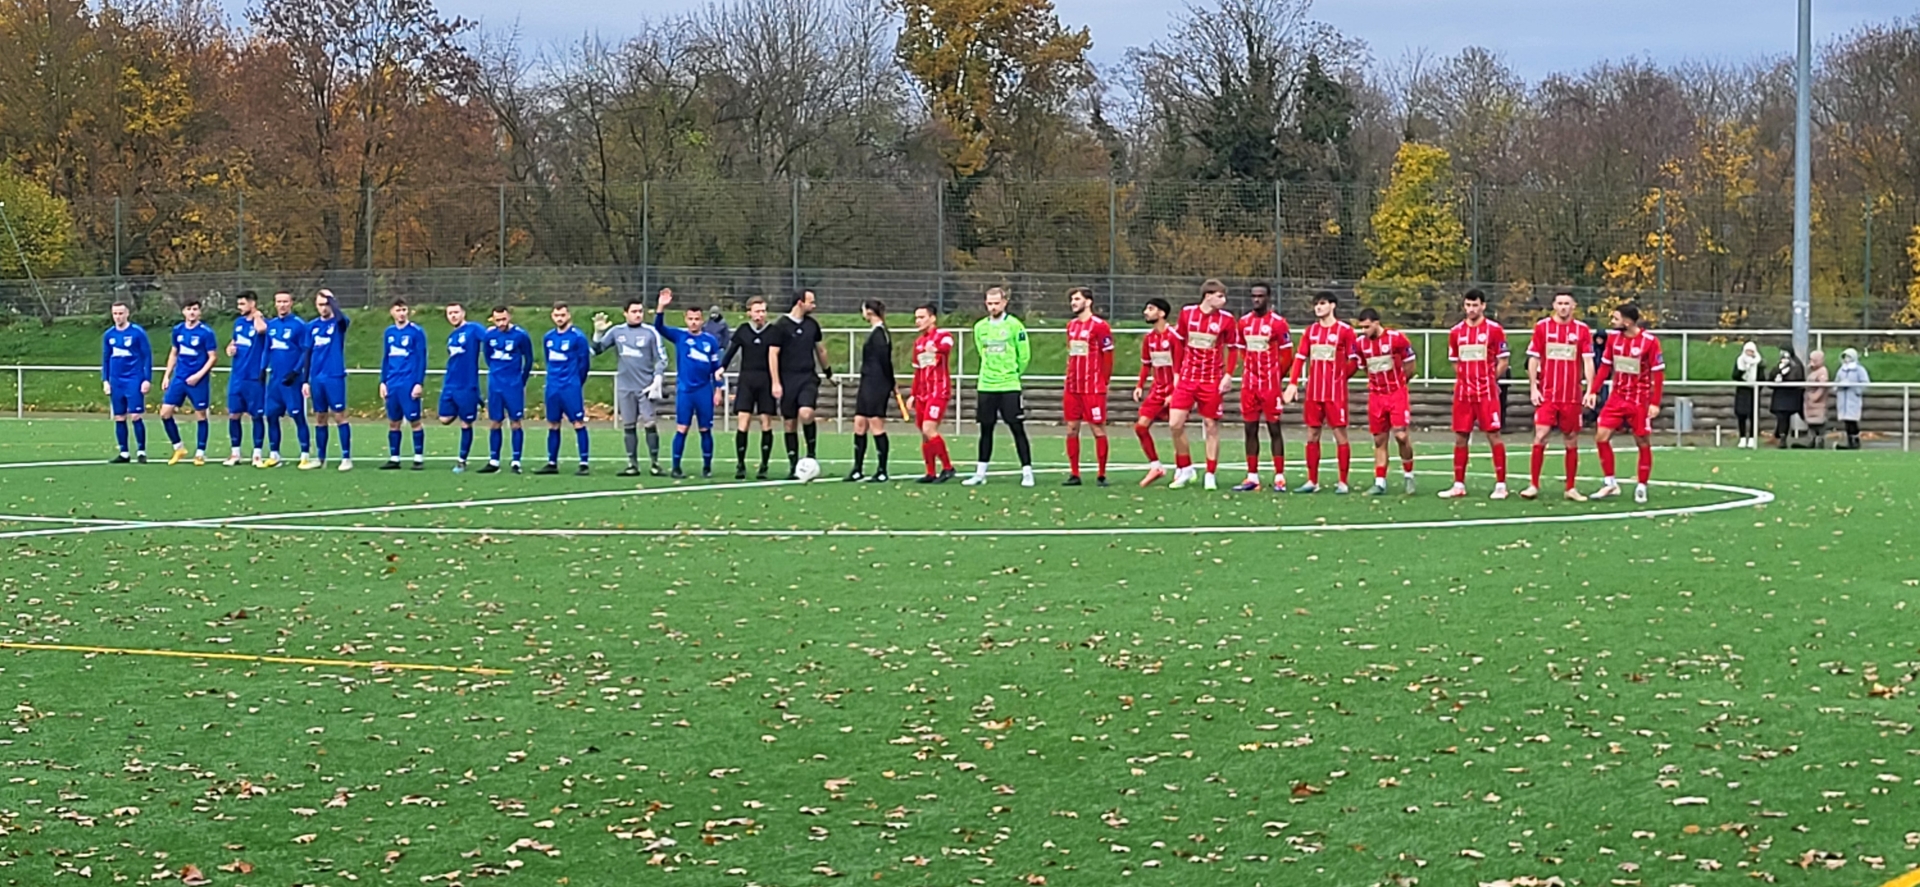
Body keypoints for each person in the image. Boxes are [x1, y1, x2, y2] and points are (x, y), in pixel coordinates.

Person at [1165, 279, 1239, 490]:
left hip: (1211, 380)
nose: (1223, 300)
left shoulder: (1226, 319)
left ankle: (1210, 473)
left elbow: (1233, 348)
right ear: (1208, 296)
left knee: (1211, 426)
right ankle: (1186, 467)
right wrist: (1177, 372)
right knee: (1175, 424)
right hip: (1188, 378)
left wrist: (1228, 375)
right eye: (1220, 296)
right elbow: (1178, 343)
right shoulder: (1187, 313)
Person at [1586, 302, 1663, 503]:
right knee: (1601, 437)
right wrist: (1593, 391)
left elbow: (1658, 374)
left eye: (1616, 318)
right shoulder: (1613, 339)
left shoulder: (1650, 341)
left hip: (1639, 400)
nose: (1612, 322)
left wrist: (1655, 402)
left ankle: (1642, 485)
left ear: (1627, 322)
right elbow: (1605, 367)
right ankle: (1610, 483)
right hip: (1617, 397)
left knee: (1642, 441)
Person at [1521, 291, 1594, 500]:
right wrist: (1533, 387)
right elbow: (1533, 359)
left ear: (1574, 306)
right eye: (1560, 303)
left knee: (1571, 438)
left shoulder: (1582, 330)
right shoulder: (1542, 327)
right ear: (1554, 305)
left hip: (1571, 395)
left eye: (1567, 303)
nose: (1563, 307)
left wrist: (1590, 389)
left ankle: (1570, 488)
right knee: (1541, 434)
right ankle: (1533, 485)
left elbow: (1588, 361)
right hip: (1548, 394)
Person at [1439, 289, 1511, 499]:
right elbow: (1455, 361)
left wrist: (1490, 379)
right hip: (1464, 393)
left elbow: (1503, 360)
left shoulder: (1494, 330)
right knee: (1460, 436)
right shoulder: (1456, 332)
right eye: (1468, 305)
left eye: (1475, 305)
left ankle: (1501, 485)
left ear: (1483, 306)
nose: (1471, 309)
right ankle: (1458, 485)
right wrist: (1464, 378)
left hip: (1486, 393)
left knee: (1493, 435)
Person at [1283, 291, 1357, 494]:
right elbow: (1300, 357)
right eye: (1316, 304)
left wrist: (1341, 378)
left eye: (1322, 303)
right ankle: (1312, 481)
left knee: (1340, 434)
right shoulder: (1311, 331)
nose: (1318, 307)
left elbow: (1354, 360)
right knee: (1312, 434)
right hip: (1313, 392)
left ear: (1333, 305)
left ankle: (1343, 482)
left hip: (1335, 393)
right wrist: (1292, 383)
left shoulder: (1345, 331)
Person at [963, 286, 1035, 487]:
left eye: (996, 303)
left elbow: (1024, 355)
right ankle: (980, 473)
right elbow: (982, 351)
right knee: (985, 429)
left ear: (1004, 303)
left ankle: (1027, 472)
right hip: (986, 385)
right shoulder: (980, 327)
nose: (993, 307)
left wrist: (1013, 373)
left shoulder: (1015, 325)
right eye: (989, 303)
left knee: (1017, 428)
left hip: (1009, 385)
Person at [592, 298, 670, 477]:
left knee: (650, 424)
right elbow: (596, 351)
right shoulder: (616, 332)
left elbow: (662, 358)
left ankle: (655, 463)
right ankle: (632, 464)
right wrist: (597, 333)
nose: (638, 315)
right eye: (634, 311)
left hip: (645, 387)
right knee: (628, 425)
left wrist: (658, 377)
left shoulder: (651, 332)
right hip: (625, 387)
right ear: (625, 313)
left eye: (640, 311)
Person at [654, 288, 725, 478]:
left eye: (697, 319)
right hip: (685, 391)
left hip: (704, 391)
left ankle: (707, 467)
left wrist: (719, 389)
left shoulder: (710, 341)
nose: (694, 322)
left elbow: (716, 368)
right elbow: (659, 327)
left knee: (705, 429)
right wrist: (661, 306)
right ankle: (676, 467)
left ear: (702, 321)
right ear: (686, 319)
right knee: (682, 428)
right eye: (690, 319)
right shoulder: (680, 336)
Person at [1234, 282, 1293, 492]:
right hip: (1249, 385)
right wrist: (1251, 369)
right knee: (1249, 429)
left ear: (1268, 298)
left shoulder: (1278, 323)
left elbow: (1287, 354)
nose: (1256, 300)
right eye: (1253, 296)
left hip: (1269, 385)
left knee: (1274, 428)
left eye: (1260, 296)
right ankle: (1252, 476)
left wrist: (1276, 376)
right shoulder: (1244, 322)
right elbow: (1242, 349)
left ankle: (1279, 476)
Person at [1352, 308, 1418, 495]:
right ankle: (1380, 482)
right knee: (1379, 439)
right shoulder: (1360, 344)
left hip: (1396, 393)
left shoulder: (1396, 338)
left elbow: (1410, 364)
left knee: (1401, 436)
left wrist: (1401, 383)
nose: (1364, 331)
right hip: (1376, 396)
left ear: (1376, 323)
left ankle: (1409, 475)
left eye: (1367, 327)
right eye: (1361, 327)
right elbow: (1365, 367)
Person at [769, 290, 830, 478]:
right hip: (787, 379)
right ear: (799, 303)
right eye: (811, 302)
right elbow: (773, 354)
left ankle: (811, 456)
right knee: (789, 423)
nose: (814, 305)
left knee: (806, 413)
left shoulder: (812, 325)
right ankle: (794, 464)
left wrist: (828, 371)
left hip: (807, 377)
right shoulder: (780, 326)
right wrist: (776, 382)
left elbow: (820, 350)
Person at [1062, 286, 1115, 486]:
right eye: (1072, 299)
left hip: (1092, 387)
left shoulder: (1100, 326)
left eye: (1077, 299)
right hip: (1072, 387)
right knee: (1071, 428)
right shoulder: (1071, 326)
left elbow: (1108, 355)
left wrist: (1104, 381)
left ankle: (1101, 474)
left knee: (1097, 429)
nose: (1073, 303)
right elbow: (1072, 353)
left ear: (1088, 301)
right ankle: (1074, 474)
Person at [722, 297, 779, 479]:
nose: (760, 315)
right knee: (743, 421)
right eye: (757, 311)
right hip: (746, 380)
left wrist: (777, 381)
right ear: (749, 313)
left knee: (766, 422)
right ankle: (740, 464)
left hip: (765, 380)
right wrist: (721, 368)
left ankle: (764, 465)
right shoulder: (743, 330)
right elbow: (731, 350)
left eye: (763, 311)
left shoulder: (773, 331)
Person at [159, 298, 218, 465]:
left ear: (199, 312)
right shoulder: (178, 330)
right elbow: (174, 353)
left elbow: (213, 357)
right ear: (183, 311)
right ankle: (179, 448)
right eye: (189, 309)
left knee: (200, 414)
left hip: (198, 380)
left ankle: (200, 453)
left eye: (195, 309)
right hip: (179, 377)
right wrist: (167, 375)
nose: (192, 312)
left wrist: (199, 375)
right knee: (165, 413)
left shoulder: (206, 332)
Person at [537, 302, 593, 475]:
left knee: (578, 422)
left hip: (570, 386)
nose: (559, 318)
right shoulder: (548, 337)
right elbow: (548, 360)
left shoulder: (578, 337)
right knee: (553, 423)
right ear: (552, 316)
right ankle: (552, 462)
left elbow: (584, 364)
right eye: (556, 315)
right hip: (553, 386)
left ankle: (584, 463)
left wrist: (576, 382)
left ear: (569, 315)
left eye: (562, 315)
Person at [302, 289, 353, 471]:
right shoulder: (312, 326)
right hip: (317, 377)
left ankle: (346, 457)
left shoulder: (339, 323)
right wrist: (305, 380)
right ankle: (320, 458)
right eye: (320, 305)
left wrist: (332, 299)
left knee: (339, 415)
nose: (323, 308)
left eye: (326, 304)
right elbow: (307, 353)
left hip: (334, 375)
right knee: (320, 417)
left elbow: (341, 319)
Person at [479, 306, 534, 474]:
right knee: (495, 421)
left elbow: (529, 359)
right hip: (495, 384)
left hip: (513, 384)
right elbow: (488, 356)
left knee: (515, 421)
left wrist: (521, 380)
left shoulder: (520, 335)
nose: (501, 323)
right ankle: (494, 460)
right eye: (497, 320)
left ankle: (516, 461)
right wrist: (496, 372)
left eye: (503, 319)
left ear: (509, 317)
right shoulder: (489, 336)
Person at [1132, 298, 1181, 487]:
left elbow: (1180, 367)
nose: (1146, 312)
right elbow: (1146, 365)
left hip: (1174, 390)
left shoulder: (1174, 337)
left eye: (1150, 308)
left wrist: (1174, 392)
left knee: (1177, 429)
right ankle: (1156, 466)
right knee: (1140, 427)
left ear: (1161, 313)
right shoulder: (1149, 338)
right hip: (1157, 390)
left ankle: (1184, 467)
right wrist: (1139, 386)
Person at [848, 300, 899, 482]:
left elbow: (885, 361)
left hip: (877, 383)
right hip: (867, 381)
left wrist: (891, 382)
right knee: (859, 422)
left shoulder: (881, 334)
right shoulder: (874, 332)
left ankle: (882, 470)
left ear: (869, 311)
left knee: (875, 423)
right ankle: (857, 468)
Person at [908, 304, 958, 483]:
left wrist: (935, 348)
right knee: (924, 433)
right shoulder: (918, 343)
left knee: (929, 428)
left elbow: (947, 346)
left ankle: (948, 467)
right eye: (916, 318)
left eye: (922, 317)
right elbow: (918, 371)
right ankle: (930, 472)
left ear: (932, 318)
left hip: (938, 391)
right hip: (923, 393)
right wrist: (913, 394)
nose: (918, 321)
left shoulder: (943, 335)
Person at [378, 298, 428, 470]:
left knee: (414, 420)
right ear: (392, 312)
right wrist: (383, 381)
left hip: (408, 382)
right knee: (394, 421)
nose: (401, 313)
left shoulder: (416, 332)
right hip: (392, 382)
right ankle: (394, 458)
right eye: (398, 310)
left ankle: (418, 458)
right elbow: (386, 358)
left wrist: (418, 382)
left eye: (404, 310)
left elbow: (421, 358)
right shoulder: (389, 332)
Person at [263, 291, 312, 468]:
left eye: (285, 301)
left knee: (297, 415)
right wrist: (262, 369)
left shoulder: (299, 325)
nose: (282, 305)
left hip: (291, 381)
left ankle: (305, 454)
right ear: (275, 303)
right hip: (275, 380)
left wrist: (296, 372)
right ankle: (274, 455)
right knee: (271, 416)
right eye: (279, 301)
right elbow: (267, 349)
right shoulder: (272, 325)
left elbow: (306, 351)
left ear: (291, 303)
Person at [101, 301, 153, 463]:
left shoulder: (137, 333)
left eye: (121, 313)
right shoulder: (109, 335)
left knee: (135, 415)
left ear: (127, 314)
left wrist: (147, 379)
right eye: (115, 313)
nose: (118, 317)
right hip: (116, 380)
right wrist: (105, 380)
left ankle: (141, 451)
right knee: (119, 416)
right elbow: (105, 359)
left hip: (134, 379)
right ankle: (124, 452)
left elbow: (147, 356)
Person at [223, 291, 270, 467]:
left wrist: (257, 315)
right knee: (234, 414)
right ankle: (235, 453)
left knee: (256, 415)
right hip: (237, 376)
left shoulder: (262, 322)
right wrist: (230, 348)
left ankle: (257, 454)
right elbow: (234, 342)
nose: (239, 307)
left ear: (252, 303)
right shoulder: (239, 323)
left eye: (242, 304)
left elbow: (261, 330)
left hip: (254, 376)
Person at [439, 302, 487, 472]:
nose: (453, 316)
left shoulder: (474, 329)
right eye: (450, 313)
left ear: (463, 313)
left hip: (467, 384)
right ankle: (473, 403)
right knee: (444, 419)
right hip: (450, 384)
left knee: (466, 423)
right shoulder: (452, 336)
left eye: (456, 312)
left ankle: (462, 460)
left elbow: (490, 339)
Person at [1768, 348, 1805, 449]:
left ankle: (1782, 438)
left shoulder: (1796, 365)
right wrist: (1778, 373)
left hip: (1791, 396)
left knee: (1785, 417)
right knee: (1781, 417)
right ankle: (1780, 437)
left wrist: (1785, 377)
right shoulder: (1779, 365)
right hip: (1780, 395)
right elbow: (1770, 378)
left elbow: (1797, 379)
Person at [1834, 348, 1869, 449]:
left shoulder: (1859, 370)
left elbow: (1865, 383)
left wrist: (1855, 389)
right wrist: (1839, 387)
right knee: (1846, 422)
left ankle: (1855, 441)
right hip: (1843, 400)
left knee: (1852, 421)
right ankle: (1849, 441)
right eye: (1845, 357)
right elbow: (1835, 383)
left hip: (1853, 399)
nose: (1846, 359)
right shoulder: (1841, 370)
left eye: (1849, 357)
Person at [1732, 341, 1762, 449]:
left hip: (1753, 391)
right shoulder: (1739, 361)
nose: (1749, 353)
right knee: (1741, 415)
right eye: (1747, 351)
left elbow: (1762, 377)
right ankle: (1742, 438)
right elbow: (1734, 376)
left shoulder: (1759, 362)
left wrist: (1757, 387)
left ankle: (1752, 438)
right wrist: (1742, 370)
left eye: (1751, 351)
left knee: (1753, 415)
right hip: (1742, 391)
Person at [1801, 350, 1830, 448]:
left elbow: (1823, 386)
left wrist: (1815, 397)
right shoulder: (1811, 370)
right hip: (1809, 401)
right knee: (1811, 422)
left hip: (1818, 402)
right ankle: (1812, 440)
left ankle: (1820, 440)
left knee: (1819, 422)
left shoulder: (1823, 371)